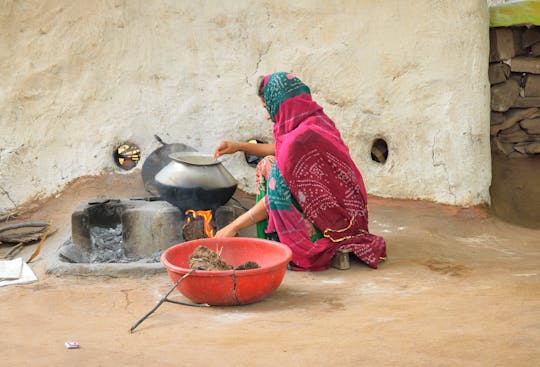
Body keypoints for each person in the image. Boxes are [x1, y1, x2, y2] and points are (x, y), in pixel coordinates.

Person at [214, 72, 386, 271]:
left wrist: (233, 226)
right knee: (268, 164)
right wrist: (238, 146)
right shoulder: (315, 121)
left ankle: (291, 242)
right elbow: (281, 149)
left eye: (267, 107)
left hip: (333, 224)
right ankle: (284, 234)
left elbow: (275, 197)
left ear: (280, 103)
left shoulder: (299, 140)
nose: (267, 115)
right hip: (351, 214)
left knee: (274, 176)